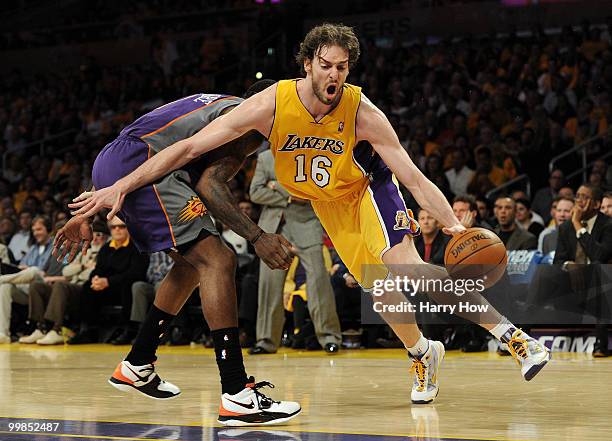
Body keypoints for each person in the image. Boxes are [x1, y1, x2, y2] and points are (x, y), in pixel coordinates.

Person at [69, 23, 550, 405]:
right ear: (308, 65)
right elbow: (191, 147)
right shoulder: (270, 106)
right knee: (378, 288)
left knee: (403, 267)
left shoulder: (363, 113)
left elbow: (415, 178)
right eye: (326, 65)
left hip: (368, 188)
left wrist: (454, 226)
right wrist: (121, 187)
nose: (334, 75)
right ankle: (423, 352)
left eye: (342, 67)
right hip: (327, 204)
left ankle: (514, 338)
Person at [54, 89, 300, 425]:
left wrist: (93, 205)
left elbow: (143, 146)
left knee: (190, 265)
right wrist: (258, 237)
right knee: (219, 260)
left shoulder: (215, 102)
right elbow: (209, 186)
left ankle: (137, 363)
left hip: (118, 160)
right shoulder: (252, 122)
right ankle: (236, 392)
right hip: (142, 164)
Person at [249, 147, 341, 354]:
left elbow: (315, 191)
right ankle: (266, 341)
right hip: (273, 228)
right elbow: (255, 192)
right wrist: (289, 195)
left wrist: (275, 186)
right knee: (269, 285)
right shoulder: (265, 157)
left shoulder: (312, 154)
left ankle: (329, 337)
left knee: (319, 279)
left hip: (307, 223)